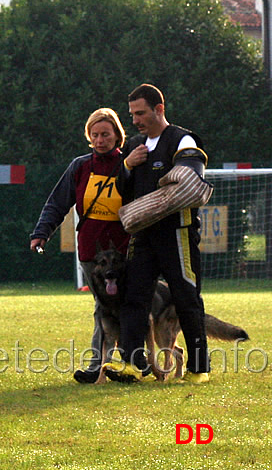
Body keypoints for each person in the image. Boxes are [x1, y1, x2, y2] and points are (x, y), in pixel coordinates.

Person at [103, 83, 210, 384]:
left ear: (159, 109)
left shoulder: (181, 139)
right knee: (133, 298)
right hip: (143, 235)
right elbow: (120, 188)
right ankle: (131, 364)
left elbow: (190, 177)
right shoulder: (134, 146)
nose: (135, 120)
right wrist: (126, 165)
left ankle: (198, 368)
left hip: (177, 232)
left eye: (141, 113)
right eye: (132, 114)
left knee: (186, 297)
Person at [30, 108, 130, 383]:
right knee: (102, 306)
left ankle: (130, 362)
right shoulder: (79, 166)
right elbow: (57, 202)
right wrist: (42, 232)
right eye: (94, 135)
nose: (100, 140)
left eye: (105, 134)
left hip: (126, 251)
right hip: (92, 254)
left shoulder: (129, 164)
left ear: (117, 135)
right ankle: (98, 366)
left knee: (132, 305)